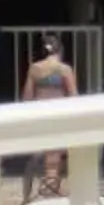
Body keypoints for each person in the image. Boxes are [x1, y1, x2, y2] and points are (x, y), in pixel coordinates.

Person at [22, 36, 81, 195]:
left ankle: (51, 189)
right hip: (60, 114)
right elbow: (74, 96)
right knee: (55, 158)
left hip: (42, 115)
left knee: (50, 156)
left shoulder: (35, 69)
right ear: (60, 50)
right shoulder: (64, 70)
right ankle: (51, 191)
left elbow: (27, 97)